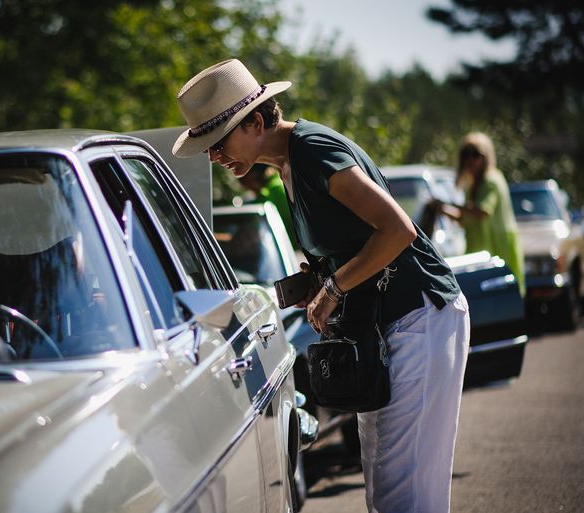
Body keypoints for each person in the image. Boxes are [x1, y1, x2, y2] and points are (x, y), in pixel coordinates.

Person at [172, 59, 470, 513]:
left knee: (402, 492)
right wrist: (284, 293)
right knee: (386, 484)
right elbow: (344, 251)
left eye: (217, 141)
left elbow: (398, 230)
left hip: (419, 316)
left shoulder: (312, 149)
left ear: (255, 121)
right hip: (386, 329)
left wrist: (332, 290)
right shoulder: (289, 164)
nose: (213, 156)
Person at [437, 132, 525, 295]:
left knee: (502, 297)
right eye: (467, 154)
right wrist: (442, 209)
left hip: (497, 247)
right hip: (480, 248)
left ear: (485, 156)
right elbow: (466, 219)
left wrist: (449, 204)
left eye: (475, 154)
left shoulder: (491, 180)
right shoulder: (474, 185)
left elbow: (482, 211)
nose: (471, 160)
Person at [237, 163, 298, 247]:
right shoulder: (274, 187)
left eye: (243, 180)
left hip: (292, 250)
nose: (243, 186)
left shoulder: (276, 190)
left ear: (253, 175)